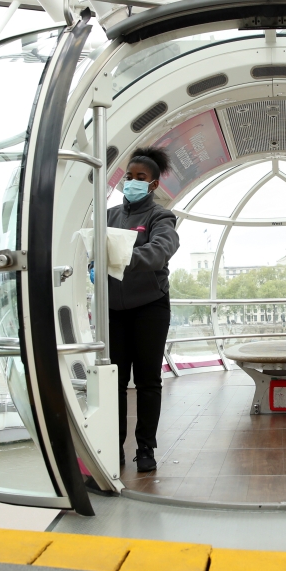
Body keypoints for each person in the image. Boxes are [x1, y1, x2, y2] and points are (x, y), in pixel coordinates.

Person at [93, 147, 180, 473]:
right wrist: (93, 264)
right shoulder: (109, 216)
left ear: (153, 184)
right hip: (114, 309)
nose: (132, 182)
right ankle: (113, 448)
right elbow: (94, 250)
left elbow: (160, 252)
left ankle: (146, 449)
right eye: (128, 177)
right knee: (114, 382)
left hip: (150, 308)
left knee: (147, 382)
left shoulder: (161, 217)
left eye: (140, 178)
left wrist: (119, 259)